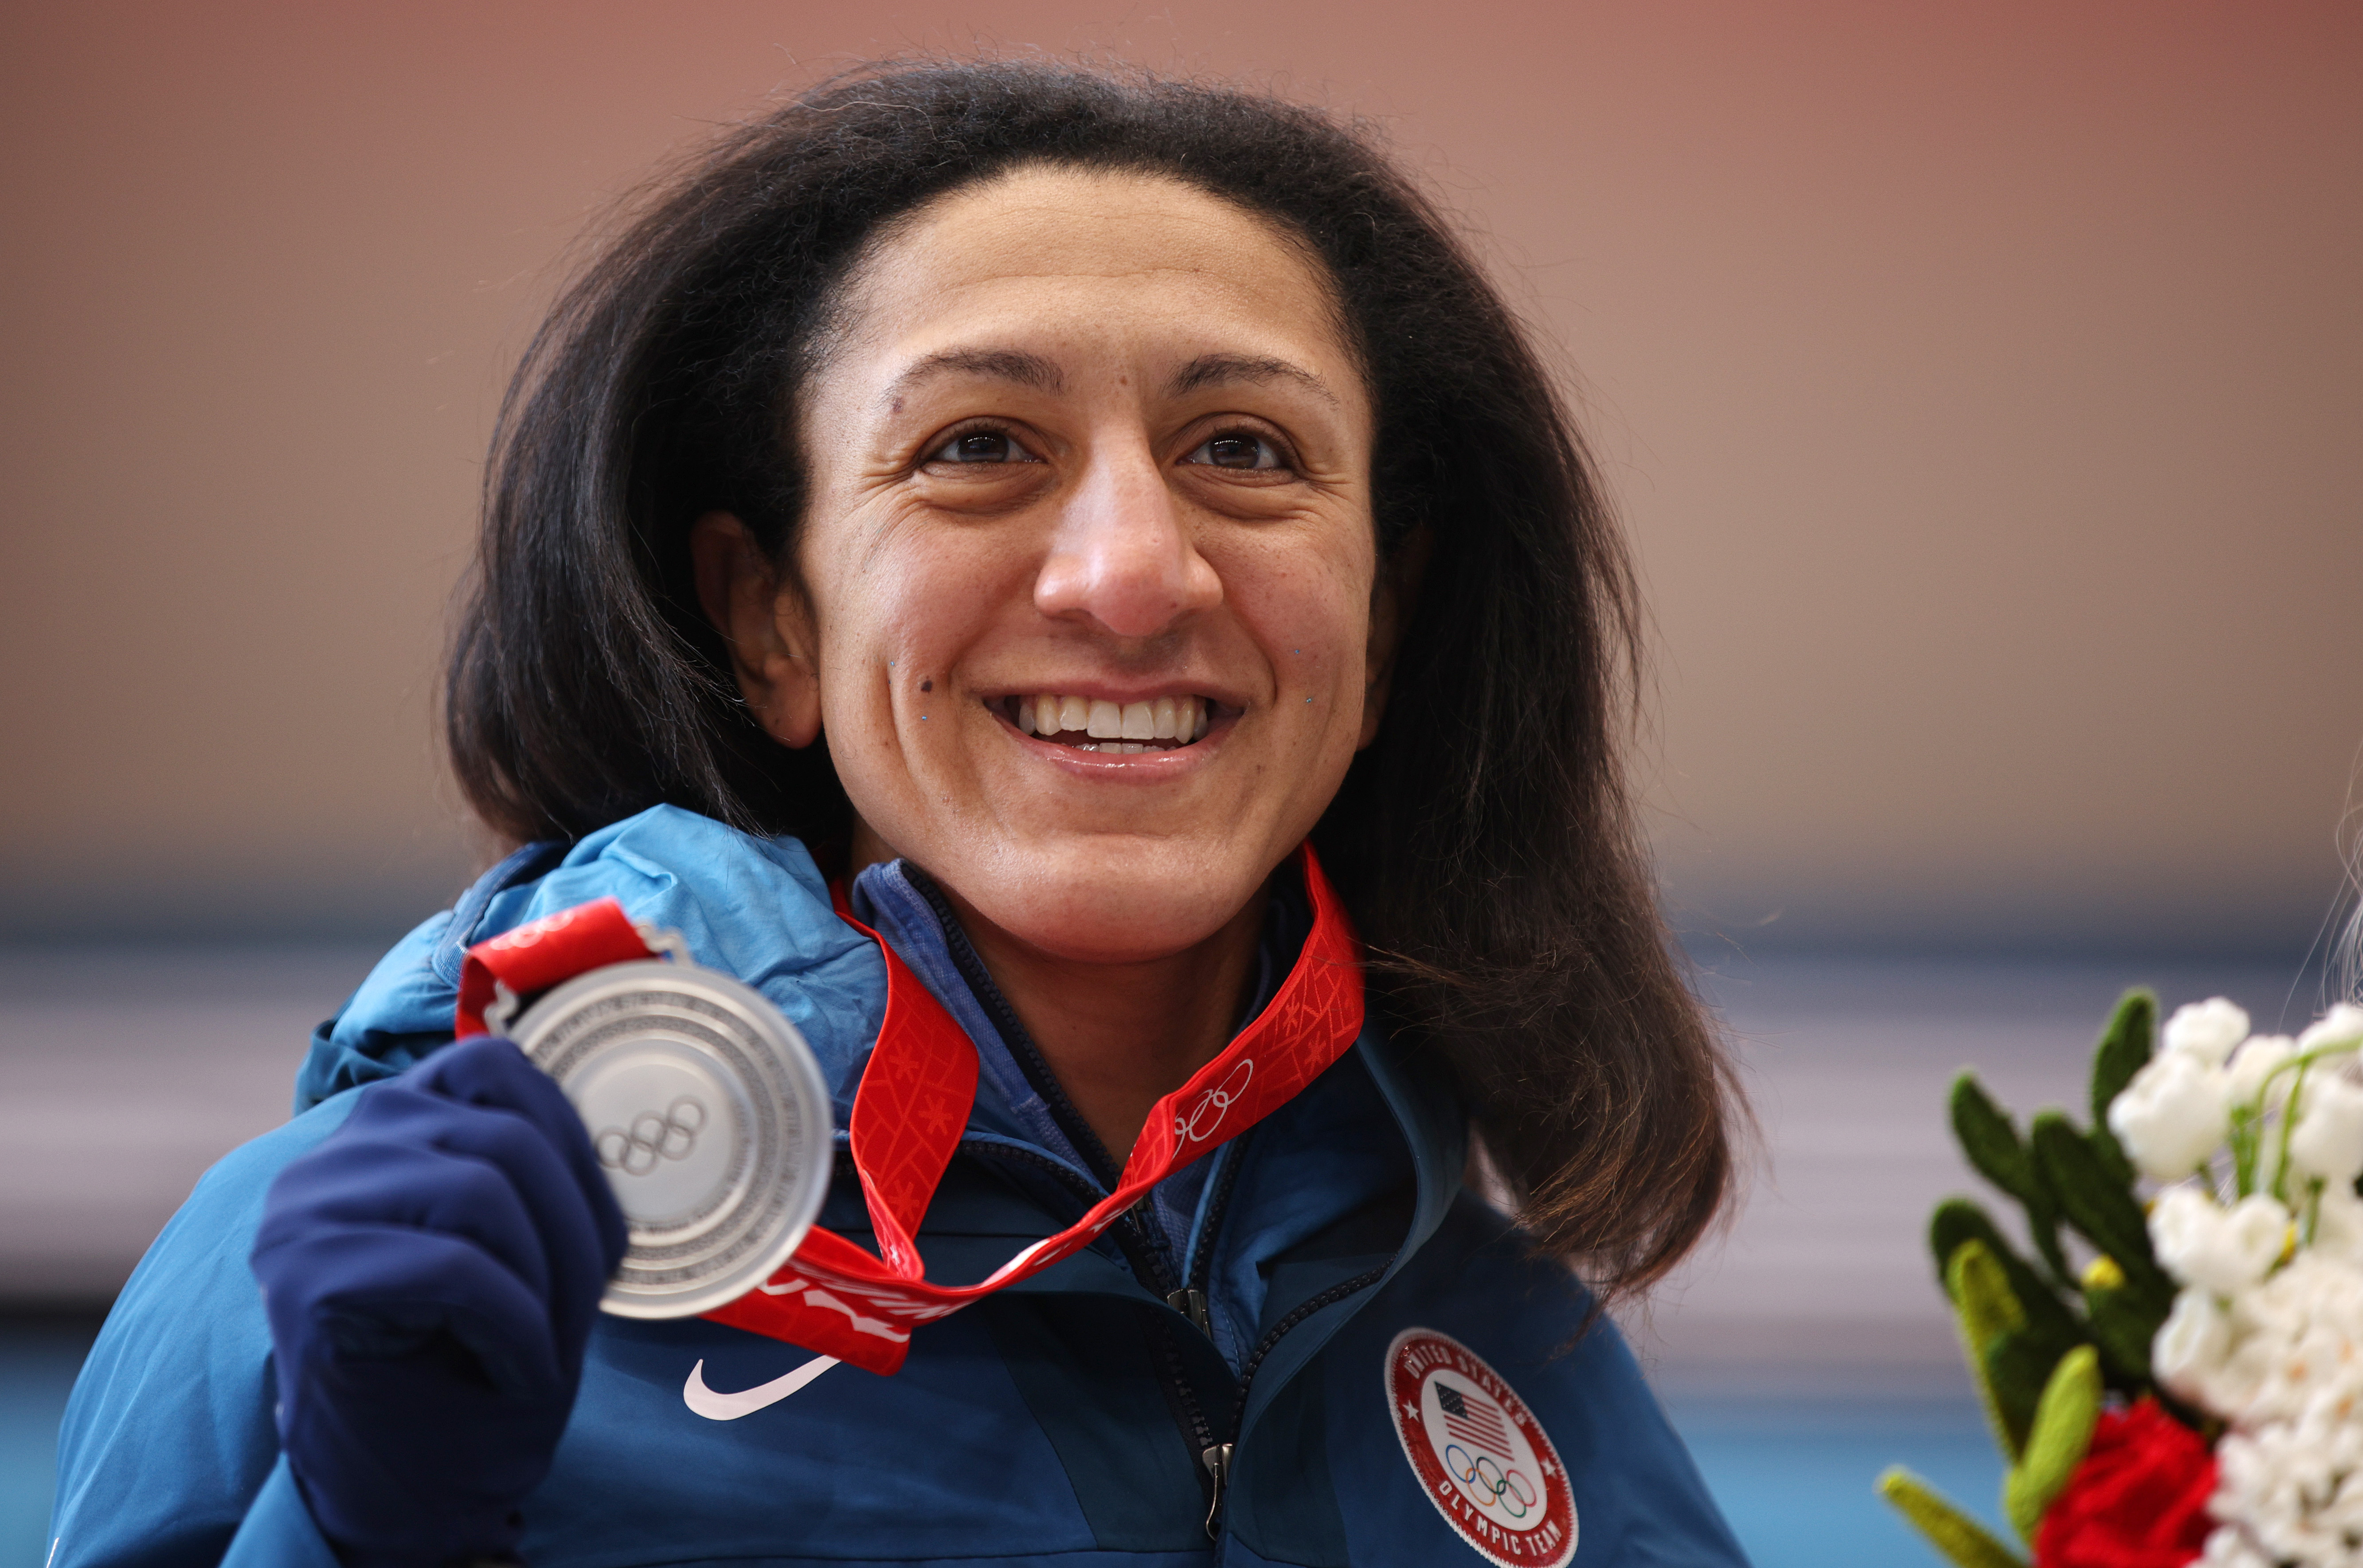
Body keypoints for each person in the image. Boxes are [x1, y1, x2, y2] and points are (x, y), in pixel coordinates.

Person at [50, 59, 1749, 1568]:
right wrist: (360, 1541)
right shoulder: (359, 1272)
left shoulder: (1506, 1338)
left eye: (1241, 447)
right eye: (978, 443)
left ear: (1378, 628)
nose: (1133, 574)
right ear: (768, 618)